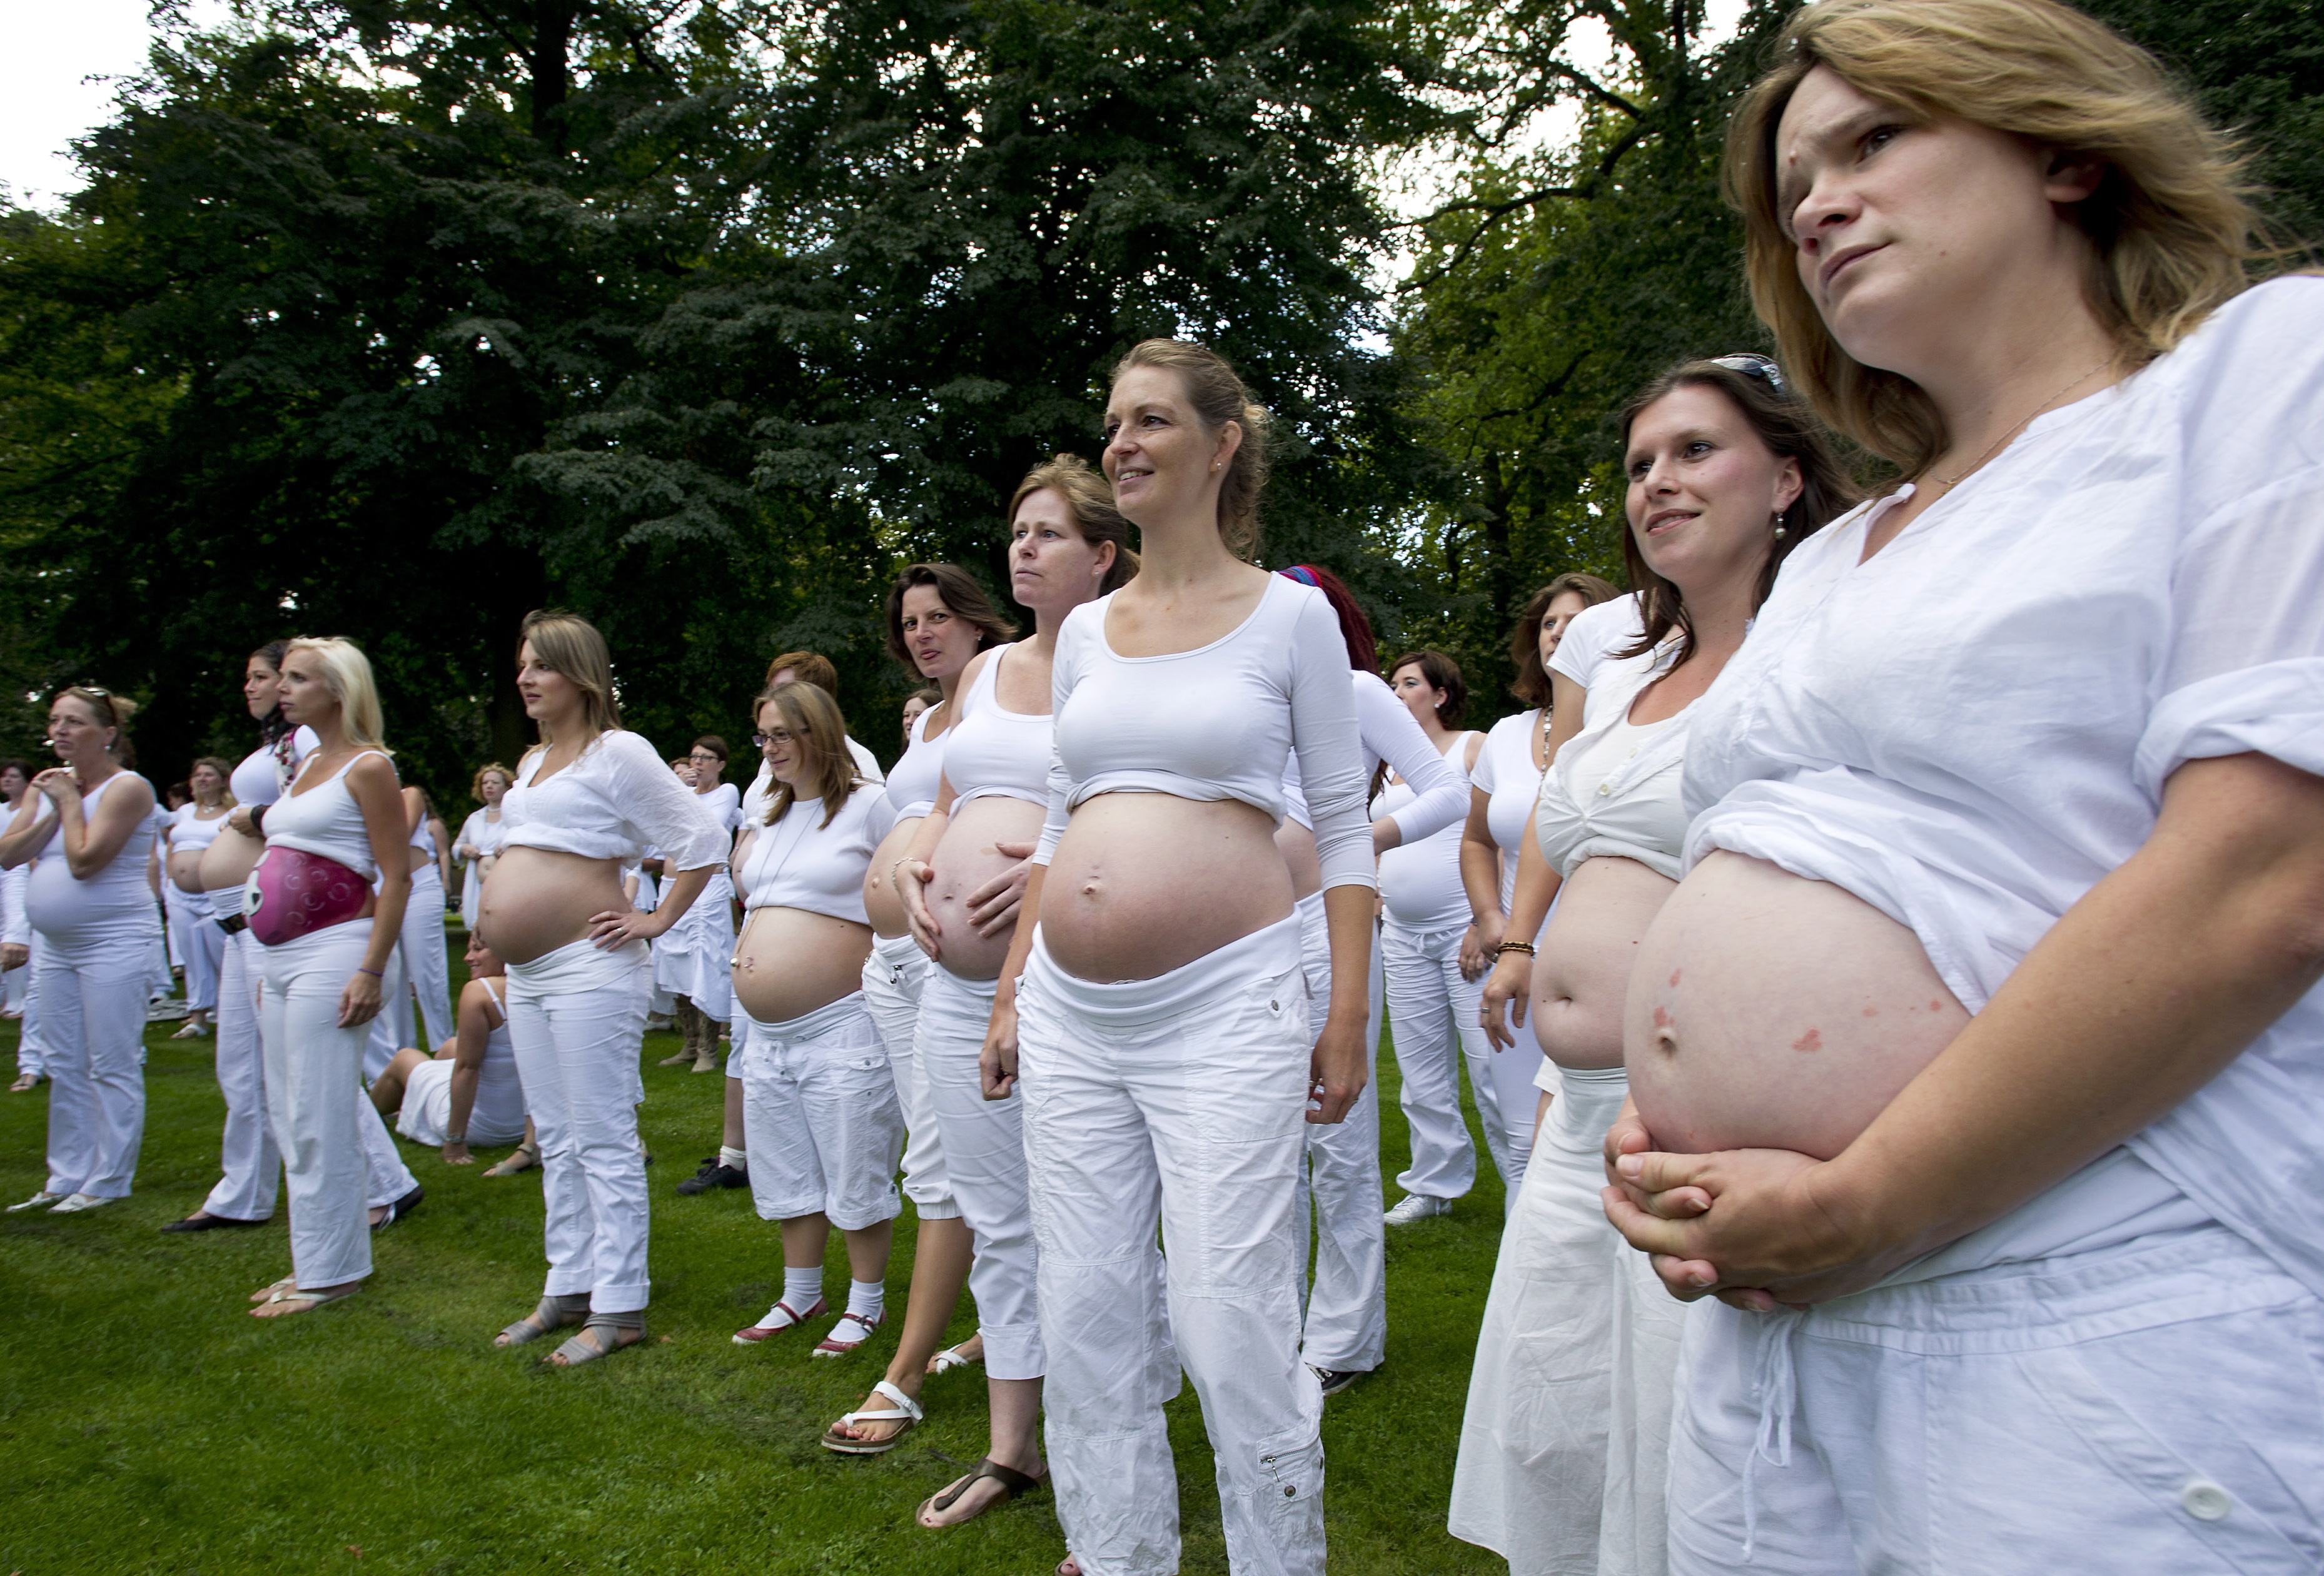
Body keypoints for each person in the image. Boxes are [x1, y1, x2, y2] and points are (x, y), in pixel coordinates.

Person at [1599, 4, 2324, 1569]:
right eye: (1792, 188)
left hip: (2091, 1290)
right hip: (1777, 1339)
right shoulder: (1839, 553)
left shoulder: (2257, 374)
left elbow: (2264, 878)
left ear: (2058, 148)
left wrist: (1871, 1194)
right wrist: (1677, 1126)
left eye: (1872, 143)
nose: (1815, 207)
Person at [1452, 356, 1856, 1574]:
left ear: (1785, 477)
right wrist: (1523, 947)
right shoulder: (1624, 672)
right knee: (1555, 1412)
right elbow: (1560, 837)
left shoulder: (1818, 658)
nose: (1656, 482)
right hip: (1574, 1106)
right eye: (1638, 464)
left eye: (1693, 451)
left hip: (1699, 1115)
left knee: (1681, 1432)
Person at [989, 340, 1373, 1576]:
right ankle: (1115, 1554)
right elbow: (1058, 823)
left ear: (1222, 445)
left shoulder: (1293, 619)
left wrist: (1347, 1016)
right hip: (1070, 1017)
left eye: (1151, 420)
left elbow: (1346, 822)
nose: (1122, 442)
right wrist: (1008, 995)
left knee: (1230, 1321)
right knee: (1090, 1312)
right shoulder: (1090, 633)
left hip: (1226, 1009)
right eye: (1112, 422)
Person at [869, 457, 1136, 1524]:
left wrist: (1040, 878)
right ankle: (1013, 1445)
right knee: (995, 1213)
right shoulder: (980, 676)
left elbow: (1140, 813)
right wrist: (922, 866)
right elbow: (947, 795)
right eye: (1018, 531)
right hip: (949, 986)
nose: (1023, 548)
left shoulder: (1124, 661)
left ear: (1103, 555)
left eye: (1049, 533)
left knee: (1089, 1214)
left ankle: (1111, 1424)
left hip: (1065, 982)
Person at [482, 610, 725, 1366]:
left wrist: (654, 919)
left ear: (580, 675)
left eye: (541, 666)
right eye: (522, 666)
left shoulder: (618, 752)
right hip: (528, 973)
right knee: (555, 1137)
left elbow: (703, 840)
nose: (525, 678)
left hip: (590, 966)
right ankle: (569, 1286)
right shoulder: (531, 764)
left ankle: (619, 1306)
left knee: (601, 1137)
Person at [819, 562, 1014, 1450]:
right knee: (944, 1161)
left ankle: (903, 1372)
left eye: (940, 617)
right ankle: (993, 1325)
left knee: (945, 1167)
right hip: (894, 966)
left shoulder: (1002, 695)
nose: (923, 633)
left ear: (977, 622)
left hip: (962, 967)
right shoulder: (929, 720)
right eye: (910, 622)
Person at [1265, 564, 1467, 1401]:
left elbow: (1451, 789)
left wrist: (1362, 837)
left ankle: (1346, 1340)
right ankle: (1270, 1330)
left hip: (1324, 924)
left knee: (1334, 1136)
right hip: (1243, 936)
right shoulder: (1249, 689)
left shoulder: (1357, 690)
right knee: (1259, 1141)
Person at [234, 638, 416, 1314]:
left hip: (335, 952)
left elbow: (395, 875)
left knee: (317, 1112)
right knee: (290, 1112)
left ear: (337, 690)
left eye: (299, 678)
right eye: (283, 678)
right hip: (281, 960)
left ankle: (332, 1271)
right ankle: (317, 1260)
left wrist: (371, 968)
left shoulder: (370, 768)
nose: (284, 688)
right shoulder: (308, 761)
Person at [724, 681, 902, 1361]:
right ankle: (800, 1292)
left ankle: (866, 1303)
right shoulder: (768, 812)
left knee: (853, 1165)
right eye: (762, 736)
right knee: (785, 1166)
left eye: (781, 735)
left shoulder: (868, 806)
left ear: (818, 735)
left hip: (842, 1022)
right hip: (768, 1034)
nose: (768, 749)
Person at [1456, 575, 1622, 1154]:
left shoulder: (1630, 727)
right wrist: (1489, 919)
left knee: (1603, 1140)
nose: (1558, 634)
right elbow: (1478, 840)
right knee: (1522, 1137)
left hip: (1607, 963)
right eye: (1550, 623)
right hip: (1516, 957)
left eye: (1576, 623)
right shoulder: (1505, 736)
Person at [1, 689, 160, 1215]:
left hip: (114, 940)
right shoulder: (48, 786)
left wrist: (69, 803)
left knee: (110, 1061)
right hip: (57, 946)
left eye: (75, 721)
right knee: (62, 1059)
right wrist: (53, 806)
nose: (61, 730)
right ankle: (65, 1175)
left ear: (108, 732)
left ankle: (109, 1177)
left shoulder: (128, 787)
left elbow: (86, 860)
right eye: (55, 721)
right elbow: (7, 855)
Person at [1373, 652, 1503, 1220]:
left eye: (1409, 684)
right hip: (1400, 936)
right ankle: (1434, 1186)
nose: (1397, 692)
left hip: (1464, 932)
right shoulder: (1383, 764)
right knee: (1420, 1069)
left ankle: (1523, 1175)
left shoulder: (1471, 747)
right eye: (1392, 684)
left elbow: (1494, 836)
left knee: (1492, 1064)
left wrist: (1483, 919)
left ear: (1441, 695)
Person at [370, 932, 530, 1161]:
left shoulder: (481, 992)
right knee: (450, 1047)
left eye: (477, 949)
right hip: (524, 1123)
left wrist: (455, 1139)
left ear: (505, 950)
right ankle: (419, 1102)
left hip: (483, 1127)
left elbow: (467, 1068)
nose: (467, 958)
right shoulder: (543, 984)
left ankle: (364, 1116)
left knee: (404, 1058)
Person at [655, 739, 740, 1074]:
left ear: (720, 764)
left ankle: (709, 1048)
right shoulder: (682, 795)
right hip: (673, 889)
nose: (698, 763)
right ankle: (689, 1044)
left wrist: (679, 796)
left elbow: (705, 829)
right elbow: (662, 831)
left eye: (706, 758)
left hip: (709, 888)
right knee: (677, 964)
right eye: (694, 757)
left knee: (707, 962)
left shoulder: (727, 793)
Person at [368, 782, 454, 1076]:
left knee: (427, 974)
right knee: (390, 980)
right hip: (381, 892)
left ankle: (446, 1055)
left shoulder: (410, 795)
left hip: (419, 886)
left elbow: (397, 835)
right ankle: (402, 1065)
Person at [163, 759, 235, 1041]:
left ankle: (231, 1012)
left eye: (209, 775)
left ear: (222, 780)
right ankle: (198, 1016)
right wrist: (171, 876)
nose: (202, 779)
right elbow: (172, 843)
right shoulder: (184, 812)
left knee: (223, 954)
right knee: (191, 954)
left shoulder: (230, 813)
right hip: (180, 895)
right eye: (198, 775)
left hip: (214, 894)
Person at [2, 759, 53, 1093]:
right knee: (38, 989)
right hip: (40, 899)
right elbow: (13, 860)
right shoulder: (47, 789)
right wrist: (17, 932)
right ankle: (32, 1065)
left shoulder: (127, 786)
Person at [453, 764, 512, 929]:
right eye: (485, 783)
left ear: (507, 787)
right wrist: (464, 849)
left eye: (495, 782)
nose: (489, 786)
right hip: (476, 883)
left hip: (505, 881)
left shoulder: (513, 815)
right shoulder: (474, 818)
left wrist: (508, 846)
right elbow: (457, 846)